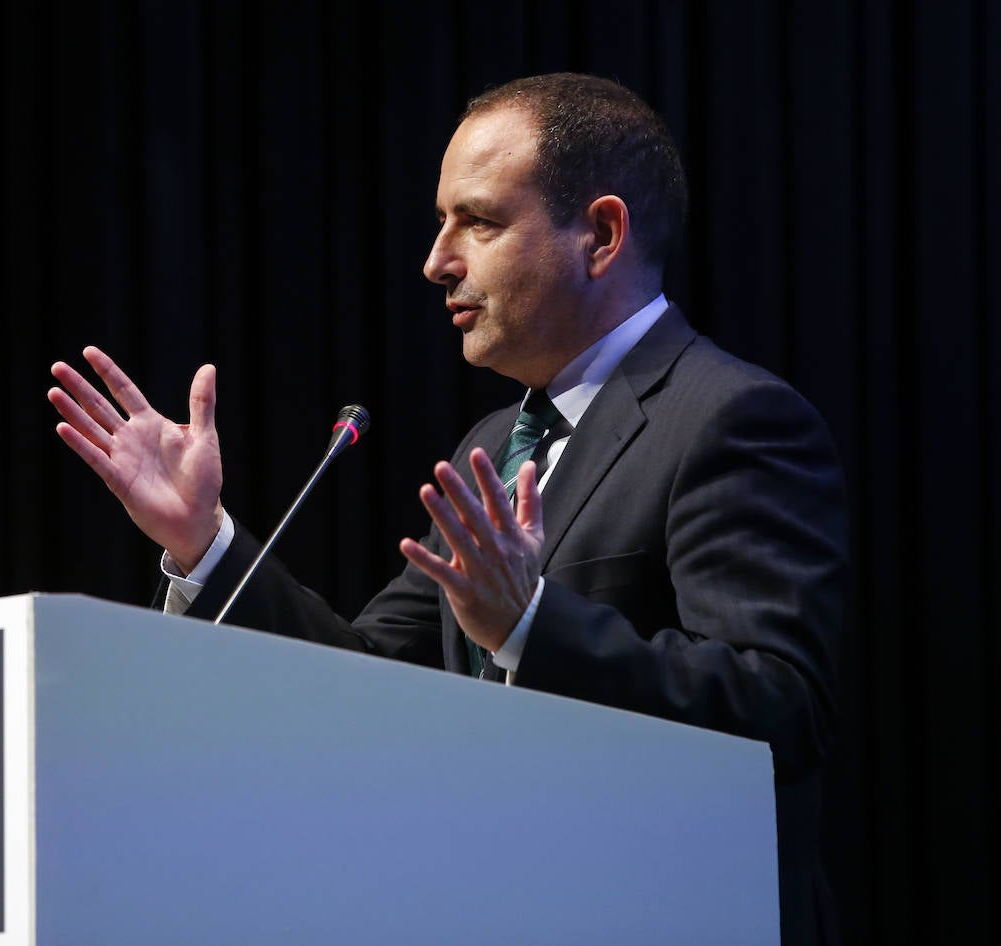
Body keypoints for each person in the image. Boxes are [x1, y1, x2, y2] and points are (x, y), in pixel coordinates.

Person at [47, 73, 846, 945]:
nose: (438, 262)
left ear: (602, 235)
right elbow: (363, 680)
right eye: (441, 222)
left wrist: (530, 625)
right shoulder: (495, 443)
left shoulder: (731, 419)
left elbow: (778, 709)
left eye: (480, 221)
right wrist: (204, 543)